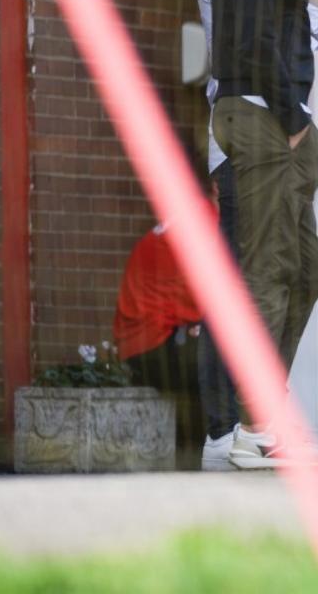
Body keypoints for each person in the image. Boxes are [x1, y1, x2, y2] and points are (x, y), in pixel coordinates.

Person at [193, 0, 318, 471]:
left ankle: (263, 416)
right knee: (244, 280)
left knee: (299, 274)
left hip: (287, 128)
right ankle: (223, 432)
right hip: (249, 132)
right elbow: (264, 35)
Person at [112, 179, 213, 468]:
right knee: (219, 368)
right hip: (152, 345)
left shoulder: (193, 217)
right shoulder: (210, 225)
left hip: (138, 346)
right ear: (219, 187)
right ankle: (207, 457)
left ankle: (198, 454)